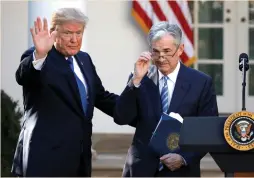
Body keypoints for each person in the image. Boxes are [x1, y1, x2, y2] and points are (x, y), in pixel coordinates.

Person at [12, 8, 118, 177]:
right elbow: (24, 77)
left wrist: (137, 105)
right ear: (54, 32)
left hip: (79, 160)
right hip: (44, 160)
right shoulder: (40, 57)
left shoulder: (84, 59)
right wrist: (39, 55)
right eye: (68, 33)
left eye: (79, 33)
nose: (74, 39)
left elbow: (100, 97)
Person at [114, 22, 218, 177]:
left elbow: (208, 129)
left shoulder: (201, 82)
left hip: (180, 170)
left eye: (167, 51)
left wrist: (184, 158)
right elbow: (121, 117)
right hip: (141, 169)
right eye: (156, 52)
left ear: (180, 49)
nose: (161, 58)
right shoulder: (140, 77)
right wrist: (135, 81)